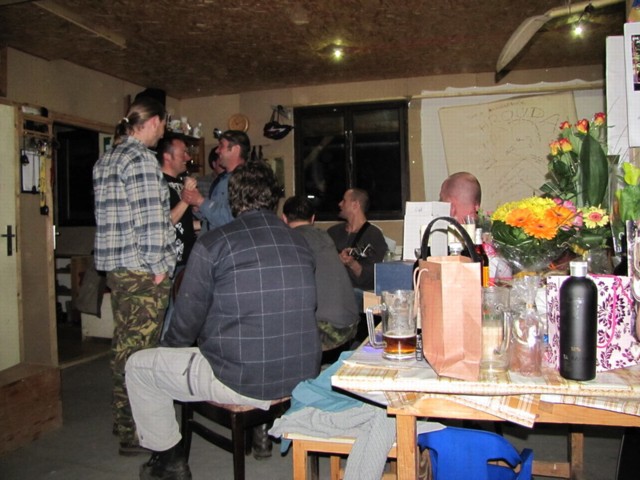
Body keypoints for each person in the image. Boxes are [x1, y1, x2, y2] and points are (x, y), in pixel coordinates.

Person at [125, 161, 321, 480]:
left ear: (233, 199)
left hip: (243, 379)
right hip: (301, 374)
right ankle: (261, 428)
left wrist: (168, 352)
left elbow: (185, 323)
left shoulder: (215, 243)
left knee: (139, 366)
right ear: (274, 199)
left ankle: (168, 461)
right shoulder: (300, 242)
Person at [92, 97, 176, 456]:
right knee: (139, 355)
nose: (163, 132)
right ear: (153, 121)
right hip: (143, 273)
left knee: (124, 347)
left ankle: (123, 419)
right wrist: (159, 269)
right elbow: (150, 222)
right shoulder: (141, 159)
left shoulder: (106, 159)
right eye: (163, 125)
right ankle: (134, 432)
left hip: (118, 270)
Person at [282, 195, 359, 353]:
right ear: (313, 218)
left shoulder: (291, 241)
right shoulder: (324, 237)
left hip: (330, 331)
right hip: (351, 323)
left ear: (284, 218)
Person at [156, 134, 198, 339]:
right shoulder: (158, 183)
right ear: (168, 156)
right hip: (169, 263)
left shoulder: (181, 182)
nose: (188, 157)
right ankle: (163, 353)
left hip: (186, 260)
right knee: (168, 317)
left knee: (180, 317)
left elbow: (185, 223)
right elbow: (165, 222)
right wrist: (186, 200)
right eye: (183, 153)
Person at [439, 171, 511, 281]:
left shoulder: (442, 247)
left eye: (441, 201)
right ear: (477, 205)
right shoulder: (499, 243)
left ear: (451, 207)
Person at [182, 130, 249, 232]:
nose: (217, 151)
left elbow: (232, 220)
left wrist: (200, 201)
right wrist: (196, 206)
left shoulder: (246, 181)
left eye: (221, 146)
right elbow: (213, 219)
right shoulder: (222, 179)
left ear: (235, 149)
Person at [327, 188, 387, 295]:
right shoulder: (332, 232)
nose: (340, 204)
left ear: (355, 205)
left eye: (344, 201)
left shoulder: (373, 235)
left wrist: (352, 264)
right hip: (332, 290)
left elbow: (372, 277)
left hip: (358, 293)